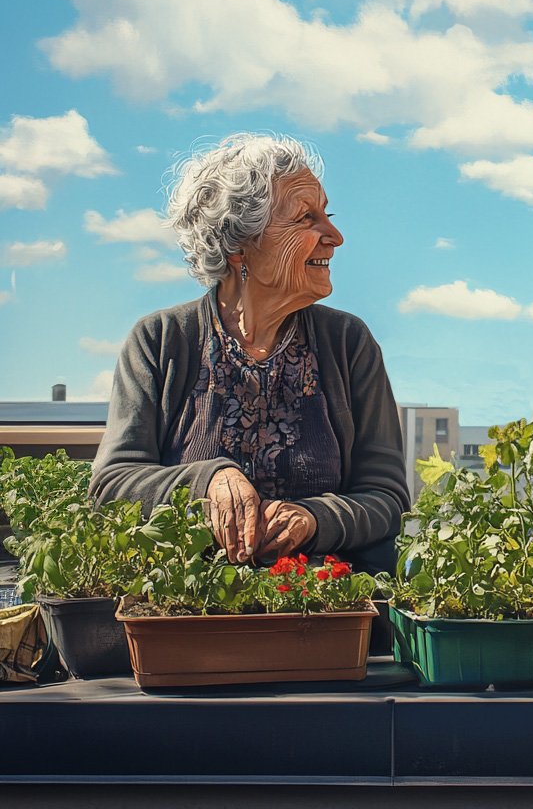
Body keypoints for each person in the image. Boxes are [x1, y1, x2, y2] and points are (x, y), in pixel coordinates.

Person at [90, 134, 409, 572]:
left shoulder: (348, 343)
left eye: (326, 216)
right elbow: (111, 486)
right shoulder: (161, 340)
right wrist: (208, 480)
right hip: (185, 609)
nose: (334, 236)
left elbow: (388, 497)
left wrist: (315, 518)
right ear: (240, 245)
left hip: (323, 607)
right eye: (305, 219)